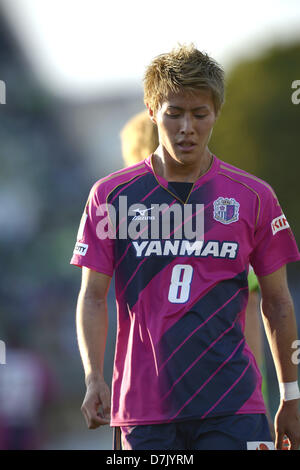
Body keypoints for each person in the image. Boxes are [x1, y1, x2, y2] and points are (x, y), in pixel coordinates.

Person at [71, 44, 300, 450]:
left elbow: (277, 302)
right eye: (174, 113)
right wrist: (94, 377)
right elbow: (92, 296)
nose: (186, 128)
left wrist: (291, 396)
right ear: (151, 109)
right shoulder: (111, 195)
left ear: (217, 113)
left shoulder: (254, 196)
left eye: (199, 114)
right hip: (143, 411)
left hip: (234, 409)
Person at [120, 109, 274, 433]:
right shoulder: (223, 222)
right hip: (227, 403)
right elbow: (251, 326)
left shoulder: (134, 236)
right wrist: (258, 401)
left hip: (153, 409)